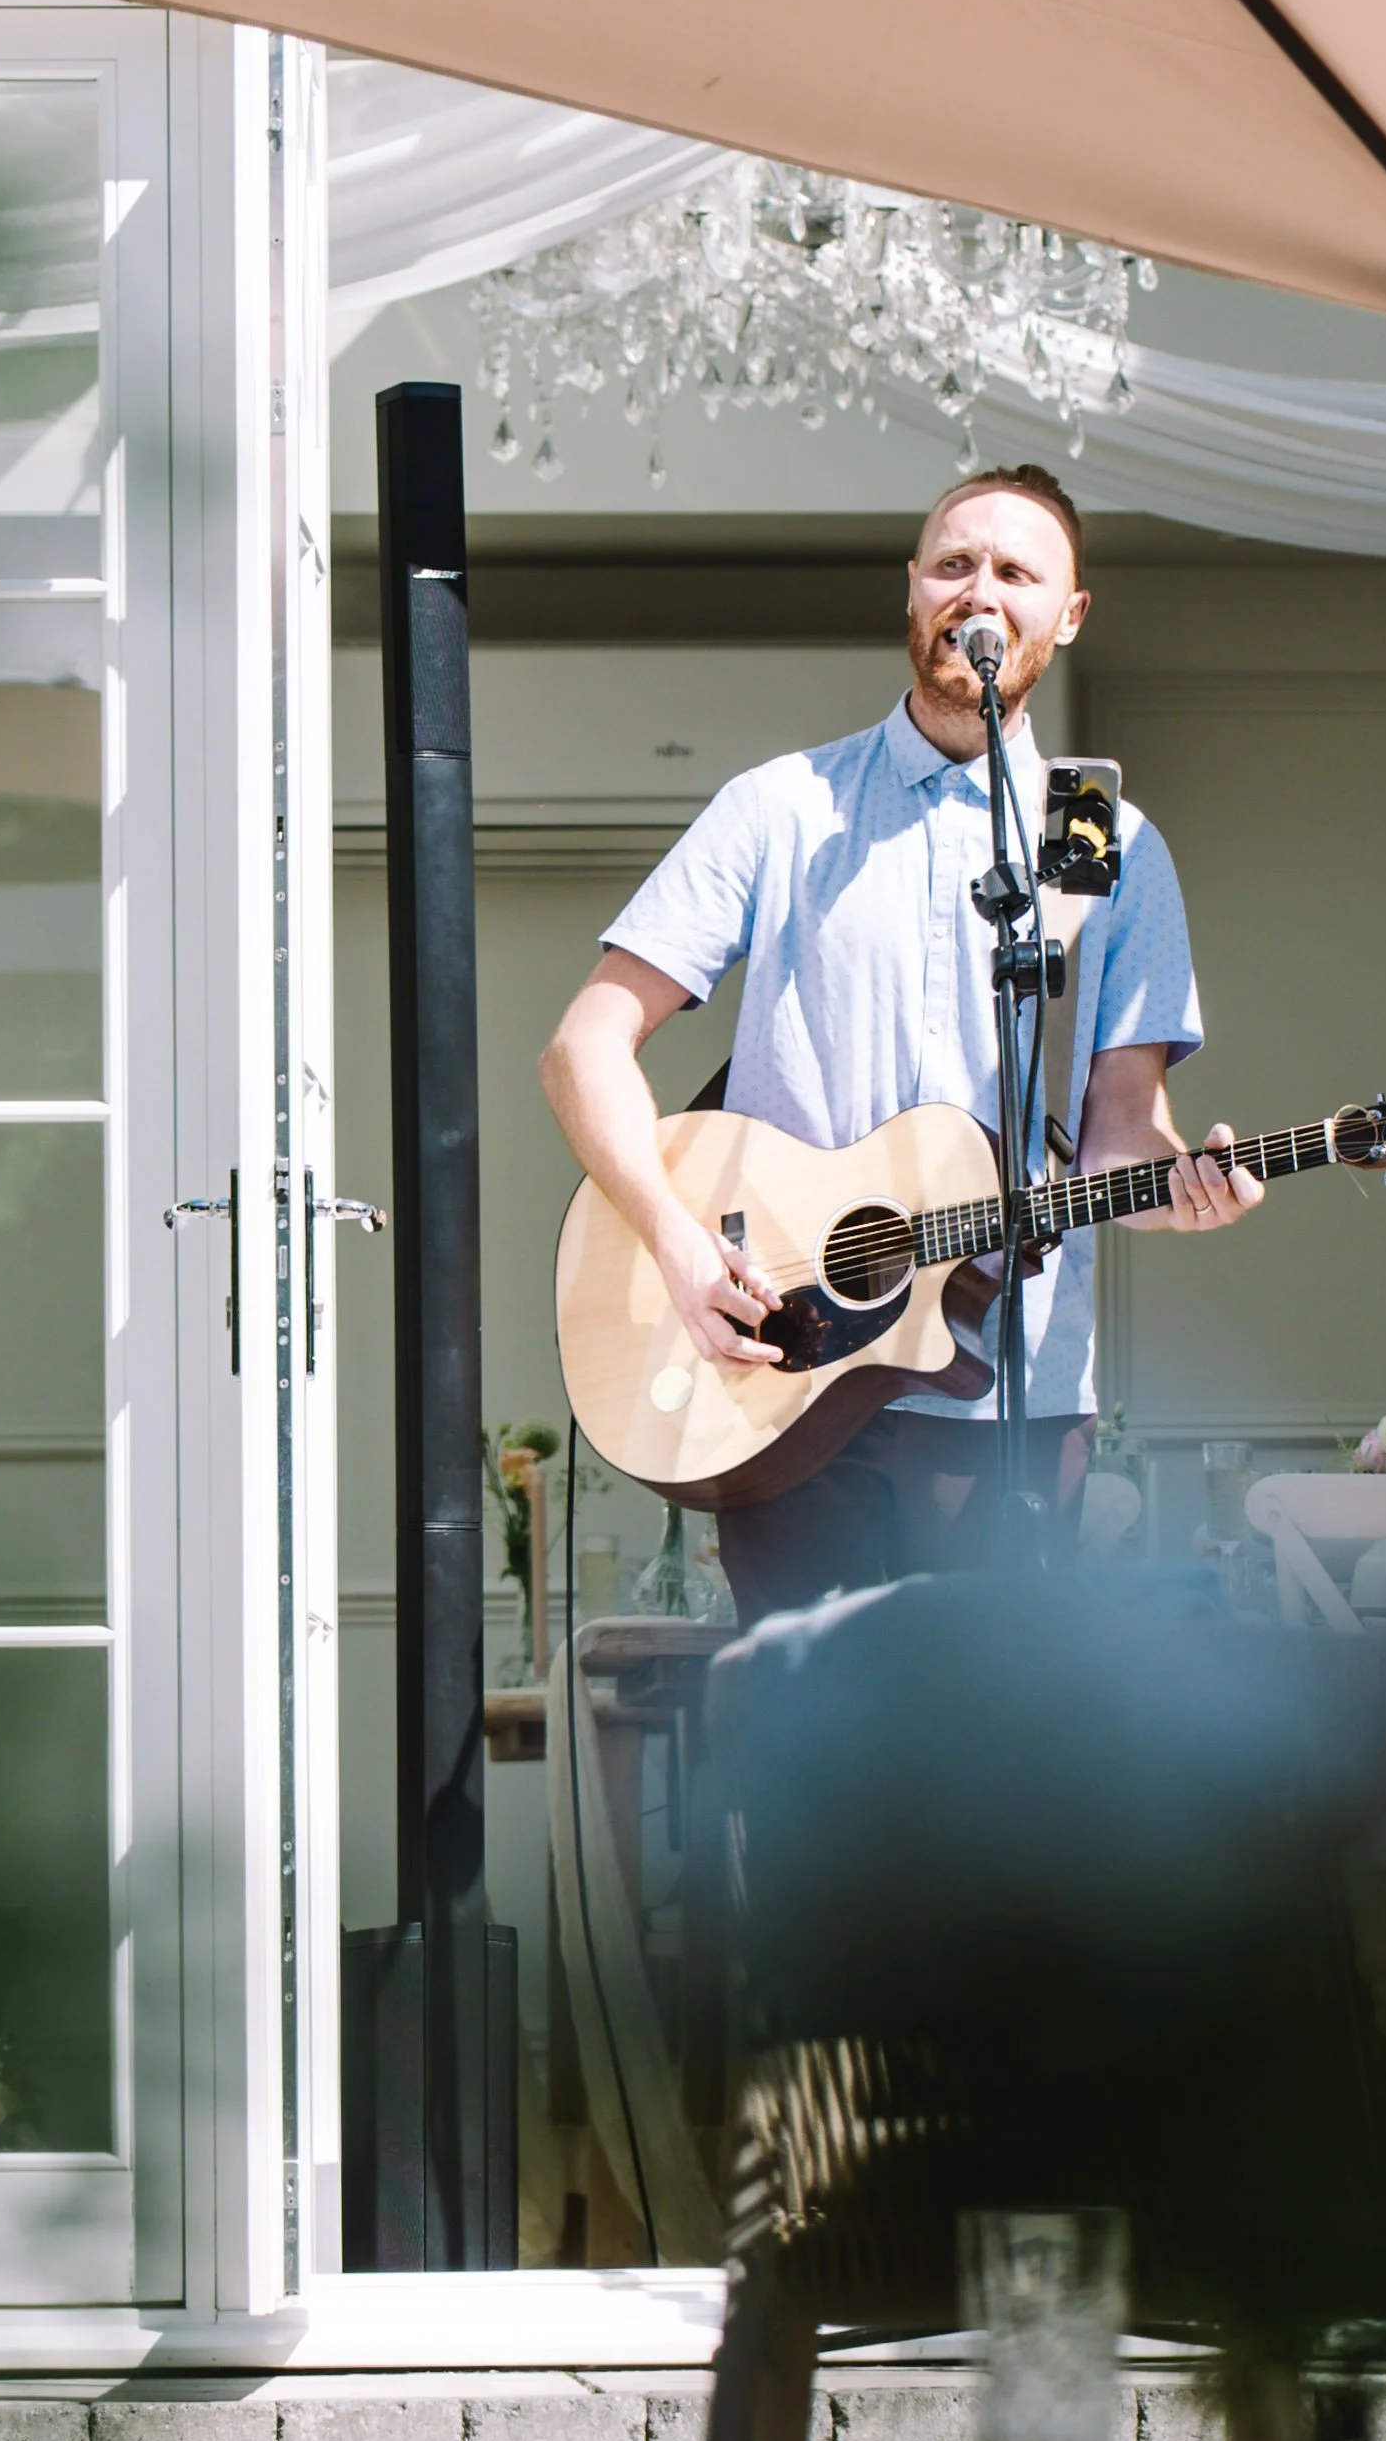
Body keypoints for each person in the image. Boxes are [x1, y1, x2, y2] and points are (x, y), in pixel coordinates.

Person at [539, 463, 1261, 1621]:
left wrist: (1187, 1190)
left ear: (1069, 615)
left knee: (988, 1734)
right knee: (805, 1727)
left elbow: (1121, 1140)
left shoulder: (1098, 836)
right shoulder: (783, 809)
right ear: (912, 587)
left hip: (1008, 1400)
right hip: (790, 1369)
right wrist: (676, 1244)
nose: (981, 592)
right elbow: (584, 1048)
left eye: (1017, 572)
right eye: (954, 564)